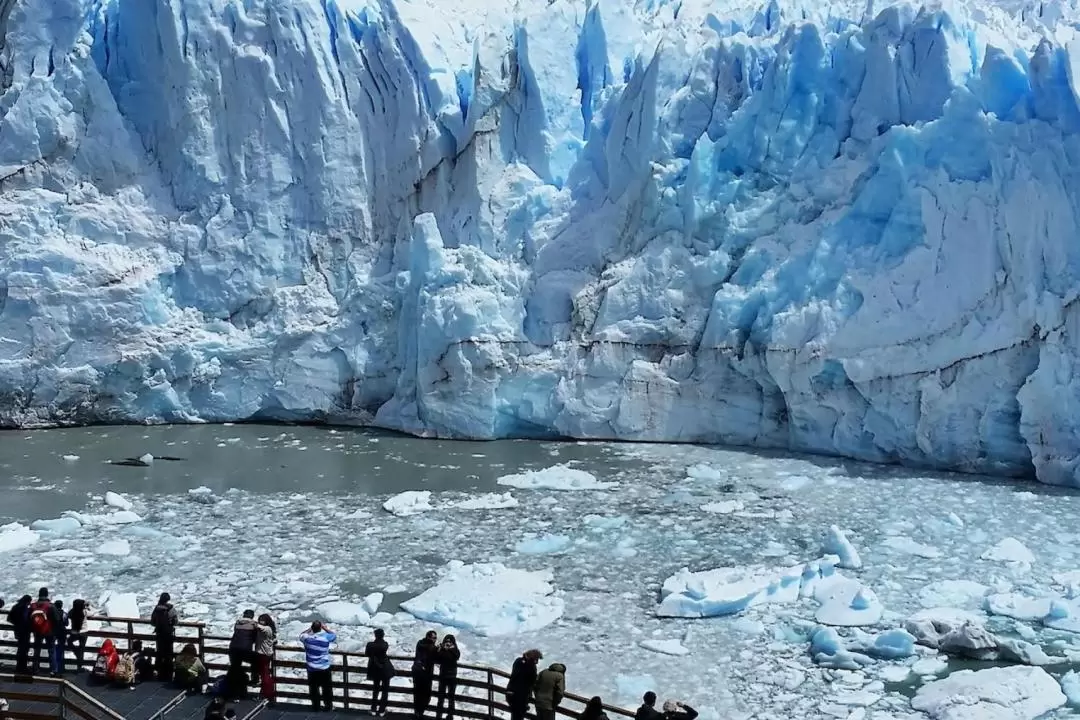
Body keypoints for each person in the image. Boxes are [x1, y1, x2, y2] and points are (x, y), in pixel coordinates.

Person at [299, 621, 337, 711]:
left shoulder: (307, 638)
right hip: (324, 667)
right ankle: (328, 706)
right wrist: (325, 628)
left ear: (312, 628)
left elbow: (301, 635)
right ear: (320, 628)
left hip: (311, 668)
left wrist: (310, 629)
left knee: (313, 688)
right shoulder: (325, 637)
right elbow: (334, 635)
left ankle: (316, 706)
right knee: (326, 688)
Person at [29, 588, 61, 676]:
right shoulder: (50, 606)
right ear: (47, 595)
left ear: (39, 594)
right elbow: (57, 619)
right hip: (49, 631)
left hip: (37, 631)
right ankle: (53, 670)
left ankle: (35, 668)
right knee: (51, 650)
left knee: (37, 650)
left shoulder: (33, 606)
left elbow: (29, 618)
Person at [364, 628, 395, 716]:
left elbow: (367, 654)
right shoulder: (385, 644)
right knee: (385, 690)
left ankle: (373, 709)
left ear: (375, 635)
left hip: (375, 669)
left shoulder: (370, 645)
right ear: (383, 635)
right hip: (385, 669)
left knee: (375, 689)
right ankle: (382, 710)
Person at [506, 649, 542, 720]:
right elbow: (532, 680)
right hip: (520, 696)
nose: (537, 662)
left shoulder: (518, 661)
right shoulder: (530, 666)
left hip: (511, 693)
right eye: (536, 659)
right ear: (532, 658)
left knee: (515, 715)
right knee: (518, 716)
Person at [151, 592, 178, 682]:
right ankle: (169, 675)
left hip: (159, 634)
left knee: (160, 653)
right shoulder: (171, 608)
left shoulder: (157, 608)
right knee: (169, 654)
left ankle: (160, 674)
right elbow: (175, 621)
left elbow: (152, 621)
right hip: (169, 634)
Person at [412, 630, 438, 718]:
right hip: (425, 674)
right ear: (428, 637)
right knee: (425, 694)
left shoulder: (420, 643)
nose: (435, 639)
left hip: (418, 672)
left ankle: (417, 712)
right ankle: (420, 712)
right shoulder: (429, 646)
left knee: (418, 693)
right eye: (434, 638)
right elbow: (430, 650)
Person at [229, 610, 259, 686]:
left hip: (233, 649)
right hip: (245, 649)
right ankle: (254, 680)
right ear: (252, 616)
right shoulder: (254, 624)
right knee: (256, 660)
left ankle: (233, 687)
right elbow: (256, 637)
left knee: (235, 667)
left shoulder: (238, 622)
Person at [435, 635, 460, 720]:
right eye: (447, 641)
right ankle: (439, 716)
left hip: (451, 677)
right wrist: (439, 649)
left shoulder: (455, 650)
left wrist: (447, 649)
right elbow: (438, 658)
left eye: (450, 641)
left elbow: (455, 656)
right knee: (441, 698)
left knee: (451, 698)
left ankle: (450, 716)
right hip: (443, 676)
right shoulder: (443, 650)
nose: (448, 643)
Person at [6, 595, 32, 674]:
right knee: (24, 649)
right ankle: (23, 668)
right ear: (27, 601)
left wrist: (16, 624)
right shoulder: (24, 608)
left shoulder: (15, 607)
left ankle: (19, 667)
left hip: (17, 631)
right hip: (25, 631)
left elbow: (9, 619)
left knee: (20, 648)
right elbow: (25, 620)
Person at [255, 614, 277, 703]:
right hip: (266, 654)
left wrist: (249, 621)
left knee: (265, 676)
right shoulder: (269, 629)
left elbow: (258, 627)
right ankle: (266, 693)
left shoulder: (267, 628)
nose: (260, 622)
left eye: (262, 620)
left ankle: (267, 694)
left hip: (263, 654)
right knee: (265, 674)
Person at [67, 599, 90, 671]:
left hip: (74, 633)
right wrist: (88, 607)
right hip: (83, 633)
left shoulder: (72, 612)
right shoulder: (84, 611)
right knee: (82, 649)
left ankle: (76, 652)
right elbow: (91, 613)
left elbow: (68, 615)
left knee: (69, 641)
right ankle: (79, 667)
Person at [53, 600, 69, 675]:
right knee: (61, 650)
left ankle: (54, 668)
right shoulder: (64, 614)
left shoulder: (52, 613)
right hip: (62, 632)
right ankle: (61, 669)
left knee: (53, 650)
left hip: (54, 632)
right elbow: (67, 624)